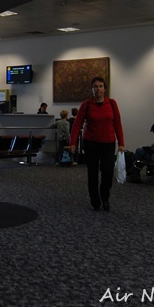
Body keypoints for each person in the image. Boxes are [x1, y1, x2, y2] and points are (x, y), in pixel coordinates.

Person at [67, 76, 124, 211]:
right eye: (95, 87)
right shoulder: (86, 105)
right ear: (92, 89)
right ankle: (95, 200)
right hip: (91, 143)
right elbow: (77, 124)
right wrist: (72, 142)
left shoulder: (112, 103)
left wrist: (121, 142)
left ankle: (105, 197)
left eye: (100, 86)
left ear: (104, 89)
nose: (98, 89)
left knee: (107, 171)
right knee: (92, 172)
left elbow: (117, 123)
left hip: (108, 143)